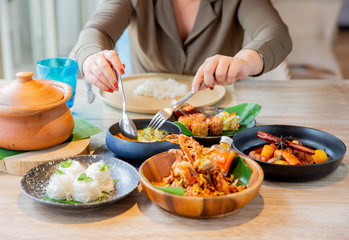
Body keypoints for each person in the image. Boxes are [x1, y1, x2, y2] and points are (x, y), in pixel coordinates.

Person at [75, 0, 292, 93]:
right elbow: (97, 31)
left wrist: (244, 61)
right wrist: (92, 59)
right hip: (143, 115)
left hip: (214, 114)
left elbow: (276, 34)